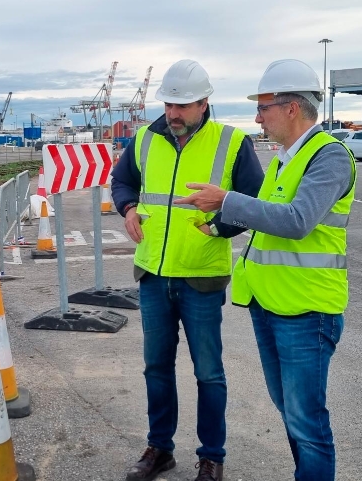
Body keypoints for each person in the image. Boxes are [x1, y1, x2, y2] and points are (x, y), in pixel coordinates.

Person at [175, 59, 356, 481]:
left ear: (292, 108)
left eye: (264, 107)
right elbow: (266, 218)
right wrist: (220, 224)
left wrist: (226, 201)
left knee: (307, 422)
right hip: (270, 303)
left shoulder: (328, 157)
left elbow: (296, 220)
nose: (257, 117)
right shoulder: (283, 159)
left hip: (307, 310)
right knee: (291, 412)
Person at [111, 59, 264, 481]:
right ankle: (159, 450)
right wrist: (127, 208)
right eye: (169, 105)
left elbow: (256, 202)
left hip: (201, 276)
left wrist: (220, 224)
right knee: (156, 368)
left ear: (205, 103)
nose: (173, 114)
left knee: (208, 372)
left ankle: (211, 456)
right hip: (153, 275)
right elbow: (122, 181)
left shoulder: (232, 142)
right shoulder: (143, 139)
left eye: (184, 106)